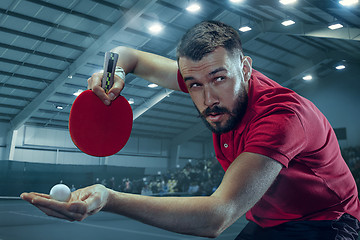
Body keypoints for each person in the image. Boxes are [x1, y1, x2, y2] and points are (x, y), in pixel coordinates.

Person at [21, 21, 360, 239]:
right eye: (193, 84)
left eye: (219, 78)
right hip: (268, 220)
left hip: (325, 223)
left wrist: (110, 198)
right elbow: (127, 54)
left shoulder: (281, 116)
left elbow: (217, 216)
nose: (207, 98)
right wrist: (115, 73)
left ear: (245, 67)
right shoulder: (206, 80)